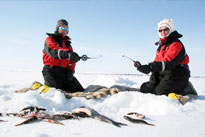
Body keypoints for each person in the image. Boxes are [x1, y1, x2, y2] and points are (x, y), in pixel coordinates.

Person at [134, 19, 198, 96]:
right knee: (146, 89)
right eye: (160, 30)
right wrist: (145, 68)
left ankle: (186, 88)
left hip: (177, 74)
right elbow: (157, 63)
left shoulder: (176, 44)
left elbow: (168, 63)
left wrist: (151, 67)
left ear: (171, 30)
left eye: (166, 29)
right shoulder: (161, 46)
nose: (163, 32)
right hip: (165, 73)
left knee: (159, 93)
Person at [42, 19, 84, 93]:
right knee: (53, 93)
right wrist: (68, 54)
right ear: (57, 28)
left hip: (64, 72)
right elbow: (54, 51)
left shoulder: (68, 45)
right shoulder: (50, 39)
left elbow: (71, 61)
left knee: (79, 91)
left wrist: (70, 71)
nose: (65, 30)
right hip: (51, 71)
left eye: (66, 28)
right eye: (62, 28)